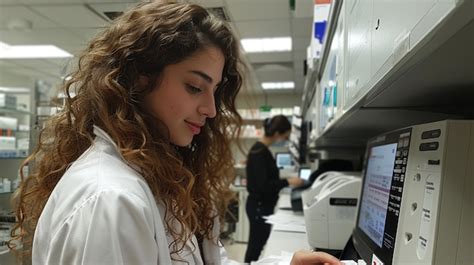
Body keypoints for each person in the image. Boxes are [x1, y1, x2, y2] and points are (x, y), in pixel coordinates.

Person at [8, 2, 341, 265]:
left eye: (214, 91)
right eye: (195, 86)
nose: (211, 110)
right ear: (139, 78)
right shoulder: (111, 201)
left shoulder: (160, 177)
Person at [244, 115, 305, 263]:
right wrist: (288, 181)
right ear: (277, 134)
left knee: (258, 244)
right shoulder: (259, 152)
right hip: (259, 207)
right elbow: (264, 185)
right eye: (285, 136)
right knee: (255, 247)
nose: (285, 139)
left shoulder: (262, 150)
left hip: (261, 206)